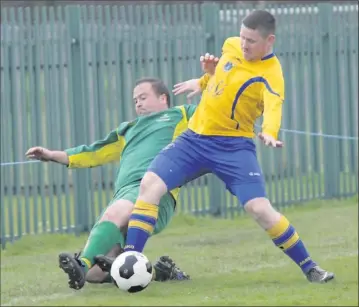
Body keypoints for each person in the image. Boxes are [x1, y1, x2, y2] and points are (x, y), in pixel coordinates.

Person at [119, 10, 335, 284]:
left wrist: (269, 132)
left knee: (259, 209)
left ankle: (311, 268)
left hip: (234, 148)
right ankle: (130, 261)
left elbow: (273, 107)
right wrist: (203, 79)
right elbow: (223, 75)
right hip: (194, 139)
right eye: (242, 37)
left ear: (270, 41)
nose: (244, 45)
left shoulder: (271, 74)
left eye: (252, 41)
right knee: (150, 184)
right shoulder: (231, 45)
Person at [25, 77, 199, 290]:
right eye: (135, 100)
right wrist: (52, 155)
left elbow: (216, 116)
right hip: (125, 194)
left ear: (163, 98)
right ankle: (160, 272)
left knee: (113, 216)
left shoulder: (182, 114)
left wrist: (206, 81)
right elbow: (93, 152)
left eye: (143, 97)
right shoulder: (127, 130)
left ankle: (81, 263)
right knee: (95, 275)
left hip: (156, 192)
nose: (138, 103)